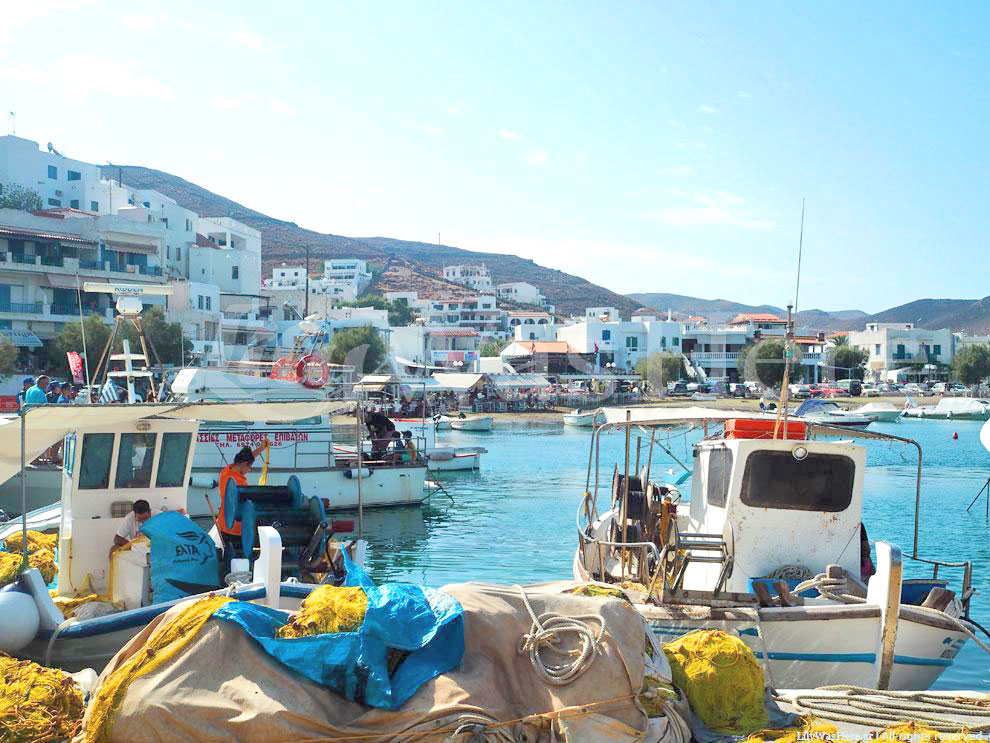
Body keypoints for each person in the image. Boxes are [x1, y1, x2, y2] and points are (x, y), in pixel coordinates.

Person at [216, 442, 269, 540]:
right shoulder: (239, 483)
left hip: (223, 523)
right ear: (244, 464)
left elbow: (247, 458)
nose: (249, 470)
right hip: (234, 530)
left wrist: (261, 448)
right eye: (249, 467)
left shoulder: (227, 470)